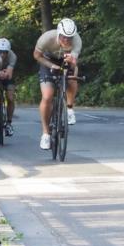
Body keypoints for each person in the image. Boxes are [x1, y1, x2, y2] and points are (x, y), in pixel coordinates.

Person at [34, 18, 81, 150]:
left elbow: (74, 64)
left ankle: (70, 108)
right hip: (48, 61)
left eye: (69, 38)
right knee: (48, 96)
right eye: (64, 37)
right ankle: (45, 134)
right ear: (58, 34)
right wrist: (51, 65)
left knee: (73, 76)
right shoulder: (46, 38)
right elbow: (37, 55)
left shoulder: (77, 41)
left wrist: (71, 61)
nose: (66, 40)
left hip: (66, 60)